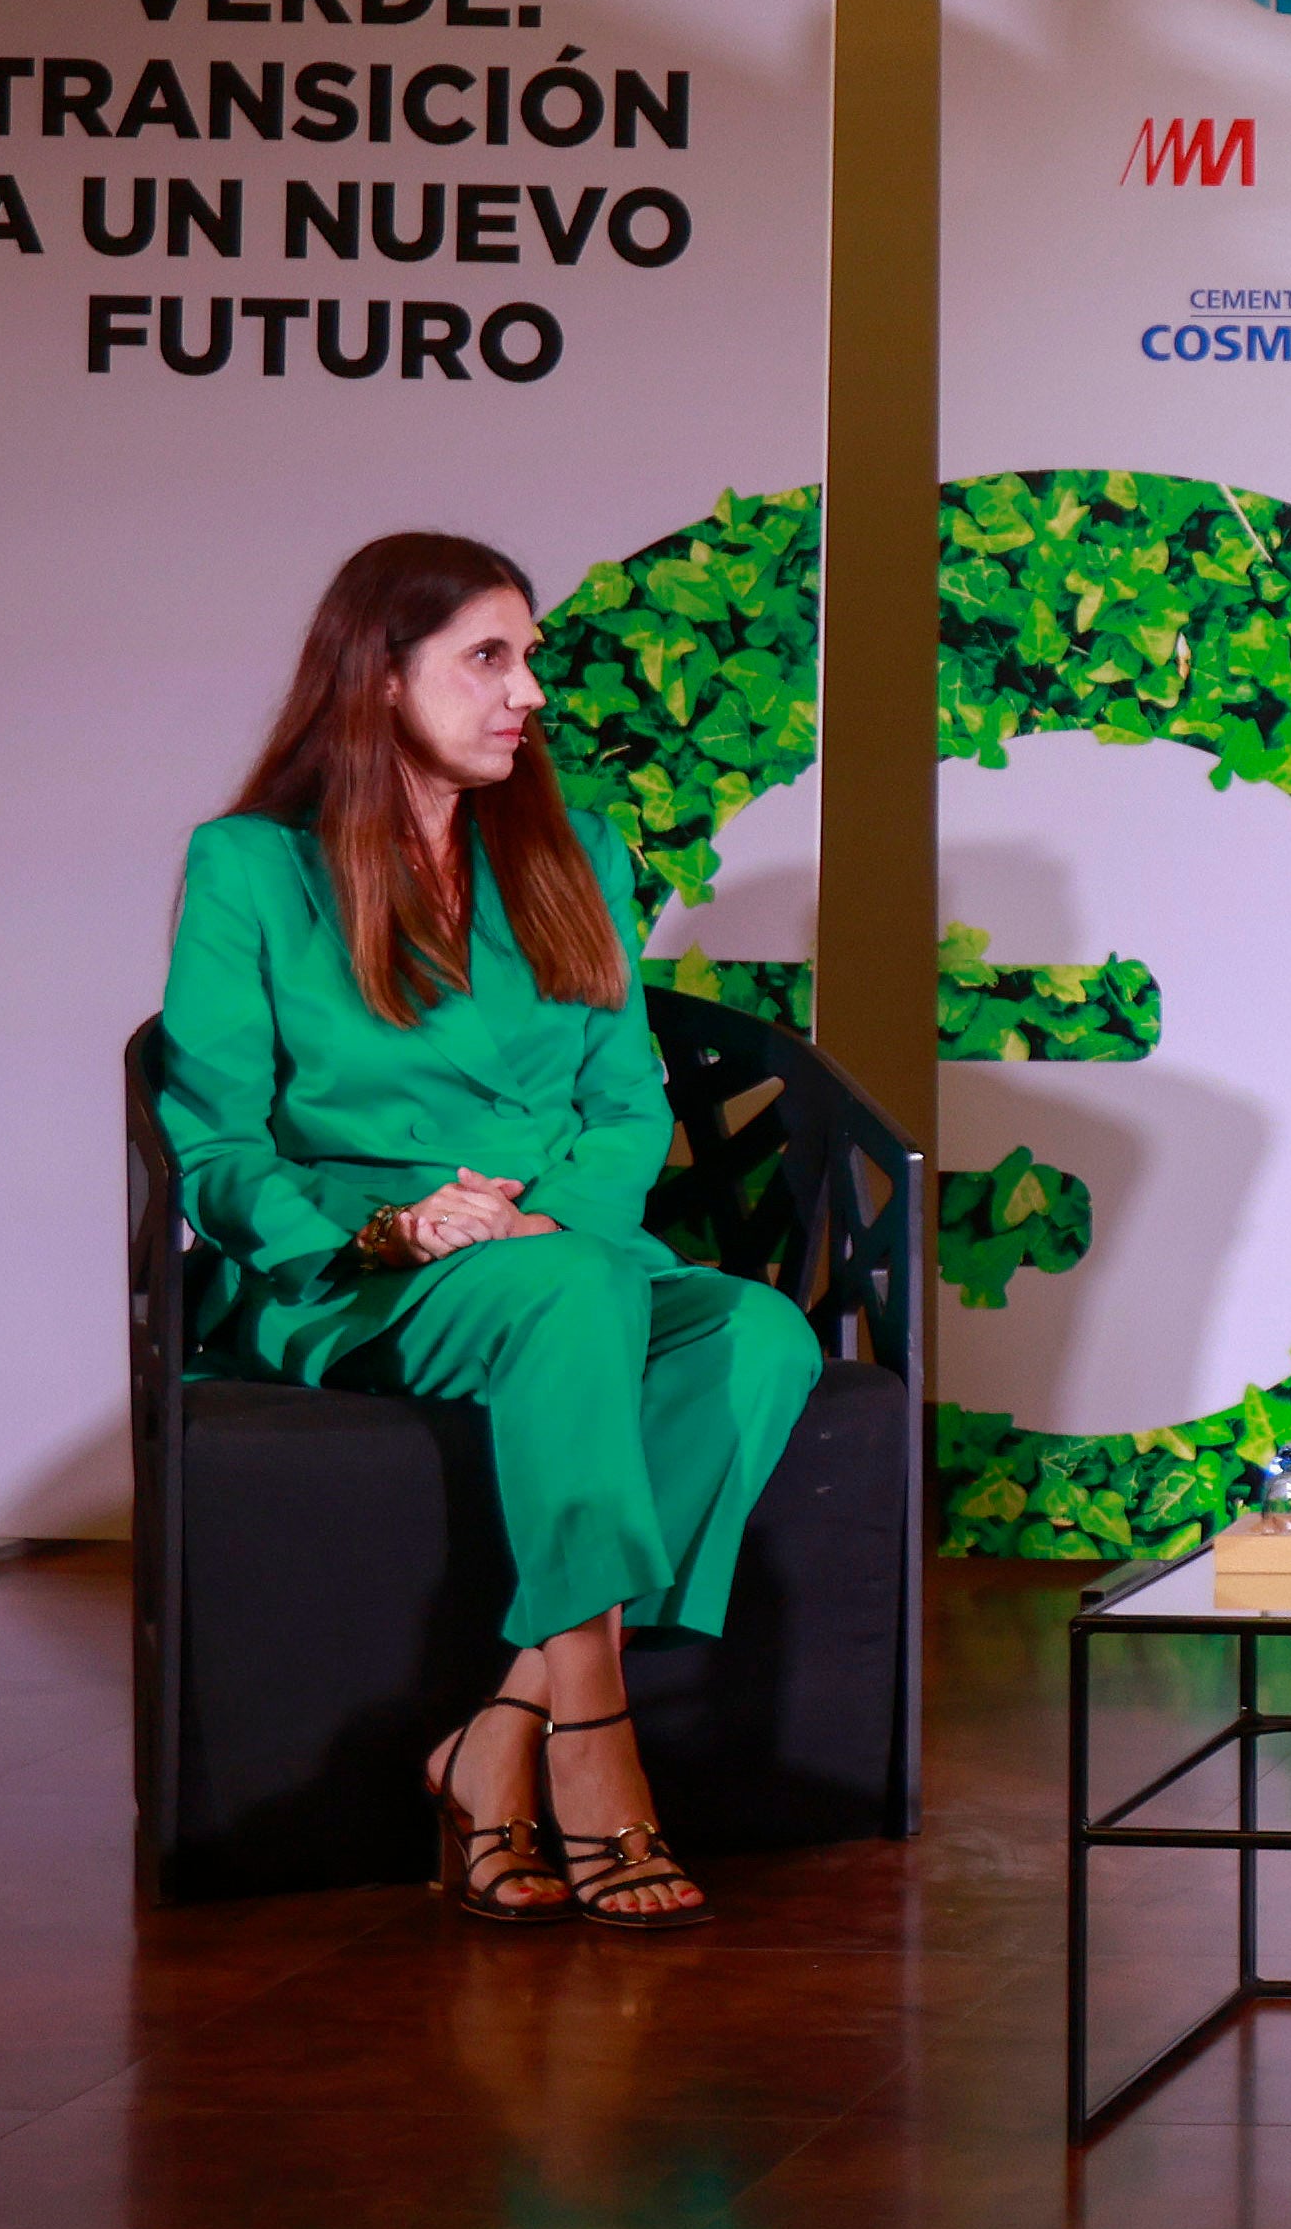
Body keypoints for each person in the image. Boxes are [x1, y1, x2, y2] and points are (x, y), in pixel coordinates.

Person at [154, 532, 820, 1929]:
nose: (527, 693)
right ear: (380, 676)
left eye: (529, 660)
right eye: (488, 659)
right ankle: (598, 1750)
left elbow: (629, 1102)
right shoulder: (251, 868)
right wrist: (393, 1228)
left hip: (562, 1255)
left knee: (756, 1332)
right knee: (577, 1296)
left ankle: (495, 1736)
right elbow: (212, 1142)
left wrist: (551, 1218)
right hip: (363, 1267)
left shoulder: (577, 850)